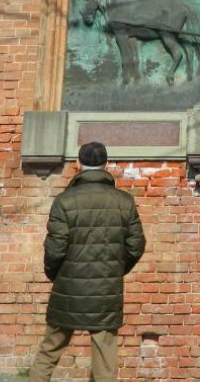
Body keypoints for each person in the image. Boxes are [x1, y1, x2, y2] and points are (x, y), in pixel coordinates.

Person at [29, 142, 146, 382]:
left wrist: (56, 275)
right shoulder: (124, 201)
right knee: (105, 360)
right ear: (105, 164)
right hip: (106, 288)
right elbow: (136, 245)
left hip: (68, 288)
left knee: (49, 351)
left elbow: (55, 247)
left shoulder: (64, 201)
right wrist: (116, 269)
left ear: (79, 164)